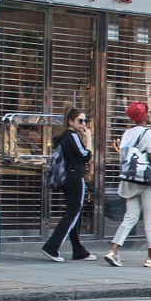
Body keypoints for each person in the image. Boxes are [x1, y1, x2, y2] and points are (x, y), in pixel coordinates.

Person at [103, 101, 151, 268]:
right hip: (146, 182)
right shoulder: (148, 133)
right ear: (144, 116)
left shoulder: (127, 134)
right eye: (149, 112)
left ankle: (113, 251)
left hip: (130, 181)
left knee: (129, 218)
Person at [42, 106, 95, 262]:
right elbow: (85, 156)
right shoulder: (71, 136)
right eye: (80, 120)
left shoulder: (67, 137)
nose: (83, 124)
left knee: (75, 214)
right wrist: (89, 138)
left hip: (68, 178)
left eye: (85, 120)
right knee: (72, 212)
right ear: (71, 121)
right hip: (74, 177)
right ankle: (52, 247)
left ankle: (78, 250)